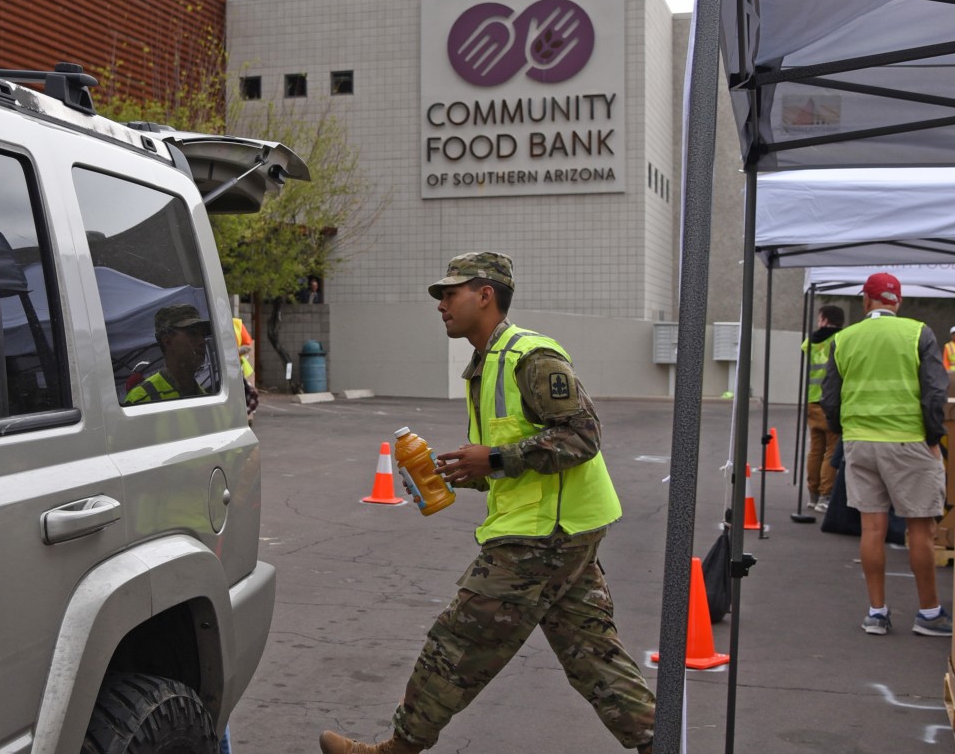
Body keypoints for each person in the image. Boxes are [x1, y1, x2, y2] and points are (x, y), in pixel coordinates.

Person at [319, 253, 655, 754]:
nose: (441, 305)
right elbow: (510, 459)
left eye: (450, 294)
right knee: (593, 656)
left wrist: (494, 459)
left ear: (485, 295)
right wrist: (461, 471)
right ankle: (660, 740)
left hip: (544, 535)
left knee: (456, 643)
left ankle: (398, 749)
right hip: (560, 530)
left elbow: (583, 437)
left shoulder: (530, 357)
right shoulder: (485, 366)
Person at [821, 272, 951, 637]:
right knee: (920, 530)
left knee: (871, 529)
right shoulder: (918, 333)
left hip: (860, 443)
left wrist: (847, 432)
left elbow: (830, 397)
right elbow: (935, 392)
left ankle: (876, 612)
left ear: (866, 301)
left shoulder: (843, 339)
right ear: (898, 301)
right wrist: (933, 438)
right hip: (909, 441)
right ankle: (929, 613)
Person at [802, 305, 844, 512]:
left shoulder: (810, 341)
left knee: (815, 450)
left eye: (820, 319)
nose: (818, 322)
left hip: (812, 400)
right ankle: (825, 497)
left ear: (826, 320)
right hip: (831, 401)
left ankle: (813, 493)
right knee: (831, 450)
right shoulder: (841, 339)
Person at [123, 304, 210, 404]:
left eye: (203, 335)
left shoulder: (206, 397)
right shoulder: (142, 398)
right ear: (167, 341)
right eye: (193, 333)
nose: (202, 341)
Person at [234, 316, 259, 424]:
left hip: (235, 367)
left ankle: (242, 417)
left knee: (249, 393)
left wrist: (235, 351)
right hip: (221, 370)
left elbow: (248, 345)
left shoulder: (237, 324)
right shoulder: (214, 323)